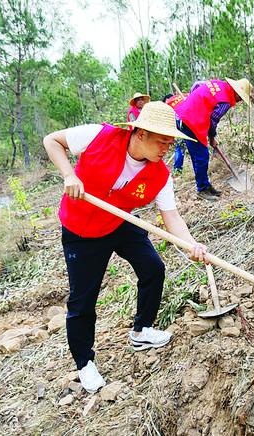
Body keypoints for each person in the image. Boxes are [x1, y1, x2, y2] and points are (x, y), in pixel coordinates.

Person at [43, 101, 208, 394]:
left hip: (120, 221)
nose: (166, 149)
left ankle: (141, 331)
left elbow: (171, 216)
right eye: (162, 142)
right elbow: (51, 140)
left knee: (153, 268)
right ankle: (84, 363)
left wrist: (192, 245)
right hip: (82, 229)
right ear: (141, 134)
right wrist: (70, 175)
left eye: (170, 143)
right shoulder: (99, 136)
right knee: (83, 300)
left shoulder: (161, 176)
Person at [172, 78, 252, 201]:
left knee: (199, 155)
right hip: (190, 121)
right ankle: (202, 189)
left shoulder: (218, 84)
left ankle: (205, 185)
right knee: (201, 156)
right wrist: (212, 138)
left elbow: (197, 85)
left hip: (184, 115)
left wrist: (193, 102)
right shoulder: (225, 101)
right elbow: (213, 120)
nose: (240, 100)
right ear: (236, 92)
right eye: (241, 97)